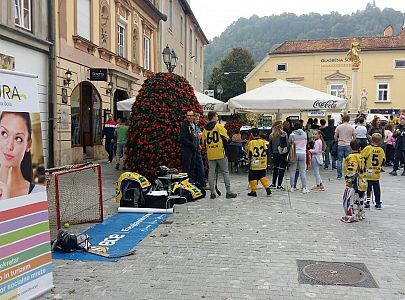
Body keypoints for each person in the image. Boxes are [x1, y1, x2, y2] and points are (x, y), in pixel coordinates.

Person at [0, 112, 44, 199]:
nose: (9, 146)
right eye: (4, 133)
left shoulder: (38, 193)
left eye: (18, 139)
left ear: (28, 144)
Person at [202, 111, 237, 199]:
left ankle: (212, 193)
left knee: (211, 173)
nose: (218, 117)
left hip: (210, 153)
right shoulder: (218, 126)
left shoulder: (205, 129)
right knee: (225, 172)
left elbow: (203, 142)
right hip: (220, 152)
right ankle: (228, 192)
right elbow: (226, 138)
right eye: (217, 116)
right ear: (214, 116)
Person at [341, 139, 367, 223]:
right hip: (362, 180)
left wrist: (349, 179)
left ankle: (351, 215)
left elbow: (352, 169)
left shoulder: (351, 157)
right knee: (360, 198)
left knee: (348, 199)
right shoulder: (361, 156)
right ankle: (360, 213)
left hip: (354, 180)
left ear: (350, 147)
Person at [246, 128, 272, 197]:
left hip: (255, 163)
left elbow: (249, 153)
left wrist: (247, 160)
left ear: (251, 134)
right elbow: (266, 151)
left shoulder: (251, 143)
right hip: (263, 162)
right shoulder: (263, 142)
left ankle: (253, 191)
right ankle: (267, 188)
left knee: (253, 177)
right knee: (262, 176)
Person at [362, 133, 385, 209]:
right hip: (376, 172)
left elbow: (362, 158)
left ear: (371, 139)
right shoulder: (381, 150)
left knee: (368, 188)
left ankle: (367, 202)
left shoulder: (368, 148)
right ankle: (378, 203)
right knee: (377, 188)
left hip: (368, 171)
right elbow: (383, 160)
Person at [289, 122, 310, 193]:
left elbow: (289, 143)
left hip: (294, 154)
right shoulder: (304, 134)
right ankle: (304, 188)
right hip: (303, 153)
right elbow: (306, 143)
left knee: (292, 170)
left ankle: (292, 187)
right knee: (302, 171)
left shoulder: (292, 135)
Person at [268, 120, 289, 189]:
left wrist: (271, 154)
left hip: (275, 154)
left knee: (275, 168)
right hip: (283, 154)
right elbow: (287, 145)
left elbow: (270, 146)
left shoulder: (271, 135)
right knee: (281, 169)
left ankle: (273, 183)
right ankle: (279, 185)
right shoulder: (284, 134)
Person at [334, 114, 356, 179]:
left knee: (339, 160)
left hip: (340, 144)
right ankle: (348, 174)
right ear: (349, 119)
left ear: (343, 119)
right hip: (348, 144)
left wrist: (337, 140)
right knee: (349, 160)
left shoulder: (339, 127)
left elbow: (335, 136)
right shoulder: (352, 127)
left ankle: (339, 175)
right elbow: (354, 137)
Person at [179, 110, 198, 180]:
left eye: (191, 115)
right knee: (187, 167)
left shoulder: (194, 125)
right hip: (187, 149)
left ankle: (190, 181)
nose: (189, 117)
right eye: (188, 115)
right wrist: (191, 144)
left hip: (194, 149)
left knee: (192, 167)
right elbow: (182, 138)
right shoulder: (184, 125)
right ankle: (186, 182)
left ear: (193, 116)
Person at [193, 113, 206, 188]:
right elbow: (197, 137)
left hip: (196, 148)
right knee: (200, 166)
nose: (198, 121)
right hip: (195, 149)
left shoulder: (196, 127)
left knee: (198, 166)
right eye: (196, 119)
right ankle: (202, 183)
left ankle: (200, 183)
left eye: (198, 119)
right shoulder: (194, 127)